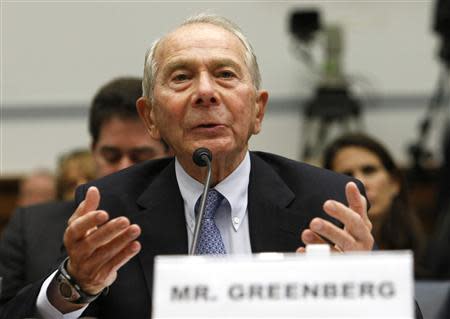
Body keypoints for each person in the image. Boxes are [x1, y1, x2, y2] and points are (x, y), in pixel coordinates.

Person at [2, 14, 387, 319]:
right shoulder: (112, 205)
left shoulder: (324, 201)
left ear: (258, 110)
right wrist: (76, 283)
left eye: (224, 74)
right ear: (150, 117)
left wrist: (363, 284)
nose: (205, 92)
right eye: (182, 77)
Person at [0, 76, 171, 308]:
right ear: (93, 152)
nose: (124, 167)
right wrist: (70, 281)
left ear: (168, 155)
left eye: (140, 157)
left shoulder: (185, 223)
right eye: (111, 156)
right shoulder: (30, 227)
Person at [322, 133, 427, 277]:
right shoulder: (321, 258)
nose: (360, 183)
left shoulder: (433, 255)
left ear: (394, 183)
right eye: (347, 175)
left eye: (369, 170)